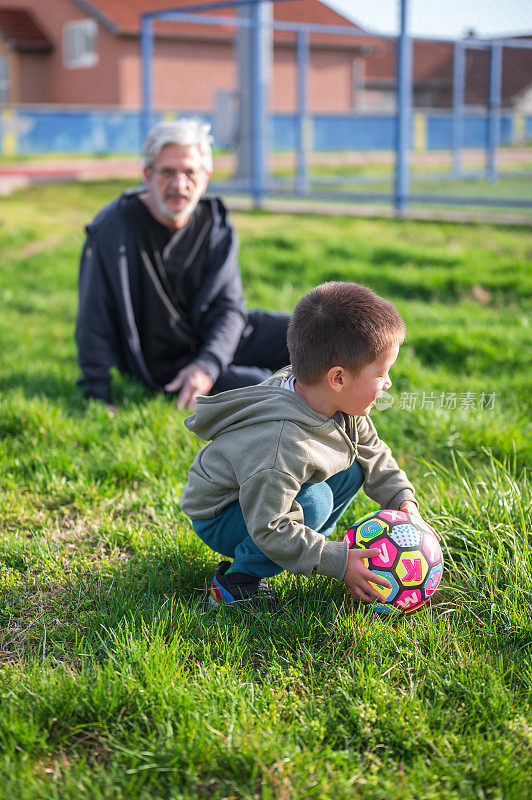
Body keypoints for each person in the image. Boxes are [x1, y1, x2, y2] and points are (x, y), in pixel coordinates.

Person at [180, 281, 434, 611]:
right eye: (382, 373)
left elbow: (373, 451)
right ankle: (235, 583)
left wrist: (403, 501)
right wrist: (337, 563)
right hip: (222, 514)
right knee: (314, 503)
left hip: (262, 499)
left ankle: (304, 548)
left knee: (356, 466)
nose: (388, 384)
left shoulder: (332, 400)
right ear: (338, 378)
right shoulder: (280, 444)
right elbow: (270, 527)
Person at [75, 118, 290, 409]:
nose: (179, 185)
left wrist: (207, 364)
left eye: (189, 172)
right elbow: (94, 315)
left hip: (214, 340)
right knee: (270, 387)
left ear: (206, 178)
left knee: (313, 334)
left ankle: (366, 393)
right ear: (147, 176)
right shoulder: (113, 228)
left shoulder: (215, 222)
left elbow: (229, 308)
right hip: (166, 364)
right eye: (167, 172)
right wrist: (97, 392)